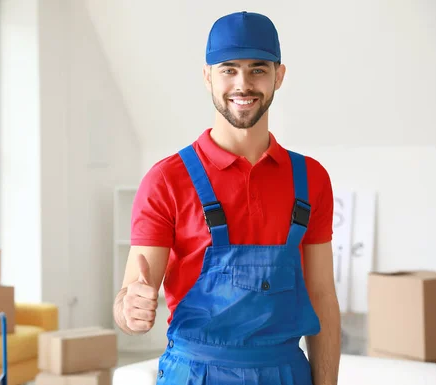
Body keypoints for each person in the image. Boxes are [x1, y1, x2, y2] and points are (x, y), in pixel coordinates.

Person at [113, 10, 341, 385]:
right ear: (208, 77)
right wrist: (130, 310)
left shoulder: (311, 179)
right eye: (228, 69)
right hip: (195, 374)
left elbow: (322, 297)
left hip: (286, 372)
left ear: (278, 76)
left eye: (257, 69)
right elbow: (129, 297)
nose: (243, 84)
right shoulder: (167, 180)